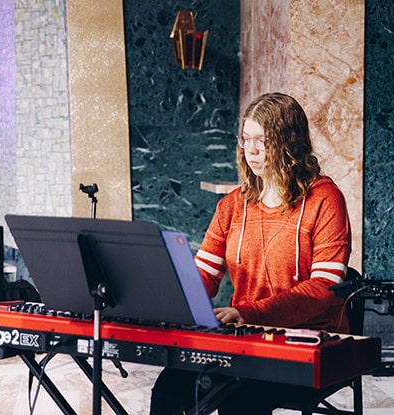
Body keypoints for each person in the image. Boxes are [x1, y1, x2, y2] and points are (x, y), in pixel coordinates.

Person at [150, 92, 352, 414]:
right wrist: (172, 302)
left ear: (289, 142)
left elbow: (323, 288)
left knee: (240, 401)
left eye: (263, 140)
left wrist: (251, 313)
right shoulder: (232, 204)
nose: (252, 150)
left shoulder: (324, 200)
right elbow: (204, 273)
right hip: (244, 336)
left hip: (308, 340)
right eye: (246, 139)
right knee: (170, 389)